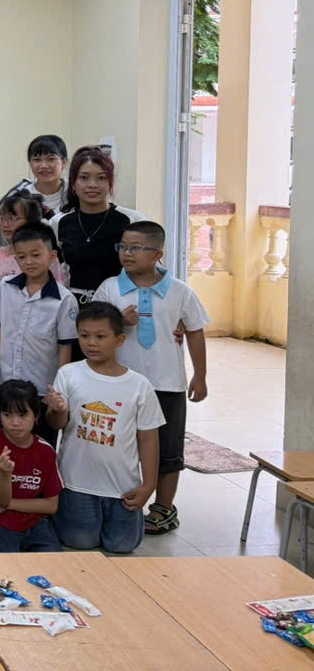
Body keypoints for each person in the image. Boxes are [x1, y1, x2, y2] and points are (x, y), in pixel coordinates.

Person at [93, 220, 209, 535]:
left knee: (169, 449)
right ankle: (119, 503)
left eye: (135, 248)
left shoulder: (180, 291)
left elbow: (195, 331)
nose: (126, 253)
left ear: (157, 254)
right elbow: (95, 328)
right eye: (122, 247)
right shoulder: (110, 288)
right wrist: (118, 321)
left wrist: (200, 376)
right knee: (120, 445)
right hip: (121, 383)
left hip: (167, 383)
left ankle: (164, 507)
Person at [47, 301, 164, 554]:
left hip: (122, 489)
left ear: (119, 340)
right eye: (84, 336)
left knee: (122, 546)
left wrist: (148, 486)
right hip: (75, 485)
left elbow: (149, 439)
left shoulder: (139, 385)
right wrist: (58, 410)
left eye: (101, 337)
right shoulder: (68, 374)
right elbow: (57, 424)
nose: (91, 343)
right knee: (78, 542)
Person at [0, 221, 78, 447]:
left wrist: (59, 387)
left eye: (36, 255)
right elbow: (3, 327)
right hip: (6, 382)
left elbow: (65, 346)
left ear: (52, 256)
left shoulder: (64, 300)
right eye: (22, 257)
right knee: (0, 440)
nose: (29, 262)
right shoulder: (6, 286)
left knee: (39, 445)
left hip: (42, 388)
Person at [0, 378, 62, 552]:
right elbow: (2, 500)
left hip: (35, 522)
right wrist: (5, 474)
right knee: (3, 565)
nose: (15, 422)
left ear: (36, 416)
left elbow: (51, 505)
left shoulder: (46, 451)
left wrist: (9, 504)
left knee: (53, 562)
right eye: (7, 415)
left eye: (22, 415)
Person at [0, 191, 65, 364]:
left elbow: (57, 297)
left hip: (38, 336)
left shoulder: (48, 258)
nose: (6, 224)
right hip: (1, 335)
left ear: (31, 221)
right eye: (2, 219)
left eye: (13, 218)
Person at [49, 145, 145, 306]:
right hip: (73, 307)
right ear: (73, 184)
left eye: (101, 178)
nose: (92, 184)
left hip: (121, 306)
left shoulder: (132, 220)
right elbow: (50, 270)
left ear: (110, 183)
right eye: (84, 177)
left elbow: (150, 269)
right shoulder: (58, 223)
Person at [0, 135, 69, 246]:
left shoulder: (76, 193)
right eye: (37, 160)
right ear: (30, 163)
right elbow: (2, 243)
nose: (43, 165)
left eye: (51, 159)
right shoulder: (17, 197)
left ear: (64, 162)